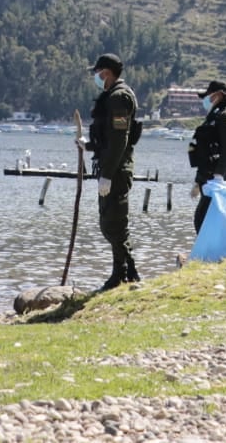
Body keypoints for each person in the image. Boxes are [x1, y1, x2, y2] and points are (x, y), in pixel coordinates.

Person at [81, 53, 140, 290]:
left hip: (116, 170)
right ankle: (127, 271)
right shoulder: (112, 96)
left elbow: (119, 139)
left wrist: (107, 174)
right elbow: (107, 138)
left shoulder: (119, 97)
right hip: (110, 167)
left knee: (114, 224)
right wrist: (88, 146)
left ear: (106, 73)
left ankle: (123, 273)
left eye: (97, 73)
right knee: (109, 223)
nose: (96, 77)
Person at [186, 81, 226, 234]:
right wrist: (198, 182)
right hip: (208, 176)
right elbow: (205, 150)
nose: (207, 101)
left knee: (205, 219)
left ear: (219, 95)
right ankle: (208, 248)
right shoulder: (214, 116)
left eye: (209, 97)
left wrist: (219, 176)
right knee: (203, 219)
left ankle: (215, 249)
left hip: (220, 177)